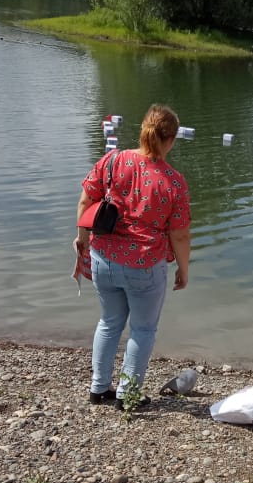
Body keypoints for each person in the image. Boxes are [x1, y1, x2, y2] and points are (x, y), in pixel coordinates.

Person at [75, 104, 191, 410]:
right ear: (171, 139)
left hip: (103, 257)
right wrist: (183, 269)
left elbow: (87, 199)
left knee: (109, 322)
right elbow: (179, 235)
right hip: (144, 265)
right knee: (142, 329)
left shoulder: (113, 161)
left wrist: (83, 241)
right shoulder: (174, 182)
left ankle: (99, 389)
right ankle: (128, 395)